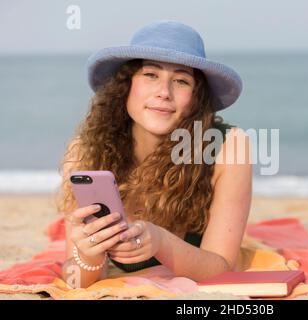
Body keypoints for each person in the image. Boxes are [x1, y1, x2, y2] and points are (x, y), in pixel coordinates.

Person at [56, 20, 252, 288]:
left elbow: (222, 269)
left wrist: (161, 242)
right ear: (126, 85)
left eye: (181, 81)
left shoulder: (229, 146)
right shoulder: (84, 150)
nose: (164, 93)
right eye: (150, 75)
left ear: (196, 97)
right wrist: (89, 255)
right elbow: (78, 279)